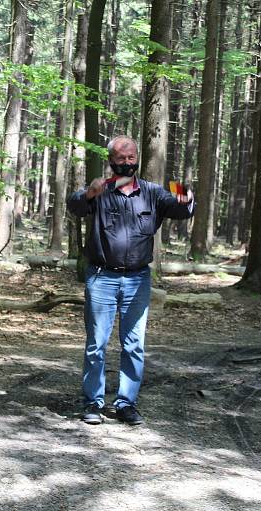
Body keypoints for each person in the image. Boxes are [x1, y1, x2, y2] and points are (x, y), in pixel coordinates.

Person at [67, 135, 194, 426]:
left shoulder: (152, 193)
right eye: (121, 158)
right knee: (96, 344)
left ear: (137, 159)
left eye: (131, 157)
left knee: (133, 345)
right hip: (101, 278)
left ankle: (126, 403)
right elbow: (74, 206)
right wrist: (88, 194)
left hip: (138, 279)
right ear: (111, 160)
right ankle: (93, 403)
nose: (126, 163)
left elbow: (182, 208)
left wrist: (185, 194)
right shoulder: (100, 190)